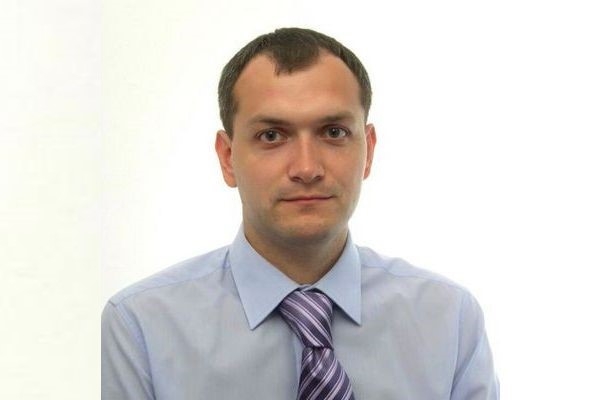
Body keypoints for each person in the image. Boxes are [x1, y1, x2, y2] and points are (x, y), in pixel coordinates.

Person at [102, 27, 499, 399]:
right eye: (272, 136)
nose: (307, 168)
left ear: (368, 151)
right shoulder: (141, 328)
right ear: (227, 158)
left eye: (333, 132)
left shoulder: (450, 320)